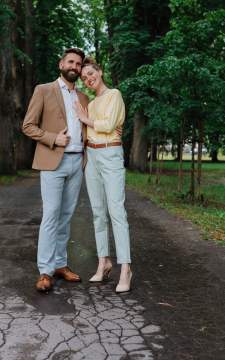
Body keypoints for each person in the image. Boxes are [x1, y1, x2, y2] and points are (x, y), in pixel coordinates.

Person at [22, 48, 122, 292]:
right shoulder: (44, 90)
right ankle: (45, 271)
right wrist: (52, 138)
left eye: (78, 64)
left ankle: (60, 265)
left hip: (78, 162)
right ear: (61, 64)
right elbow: (28, 126)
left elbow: (95, 126)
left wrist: (114, 131)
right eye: (71, 62)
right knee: (51, 216)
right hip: (53, 162)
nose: (74, 67)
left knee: (66, 217)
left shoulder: (84, 98)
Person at [73, 57, 132, 293]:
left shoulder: (114, 94)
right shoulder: (89, 102)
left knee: (116, 211)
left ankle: (125, 269)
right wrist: (88, 120)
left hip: (110, 154)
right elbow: (96, 127)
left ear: (100, 71)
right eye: (84, 77)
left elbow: (107, 126)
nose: (88, 79)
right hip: (92, 156)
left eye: (91, 73)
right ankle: (103, 262)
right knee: (98, 212)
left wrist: (84, 118)